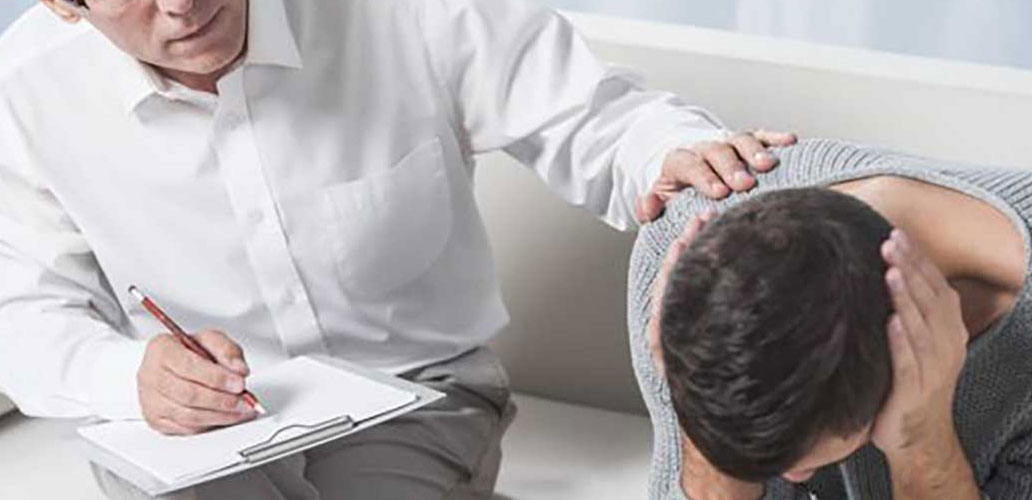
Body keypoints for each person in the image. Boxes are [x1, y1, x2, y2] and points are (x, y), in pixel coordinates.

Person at [0, 0, 798, 498]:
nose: (179, 4)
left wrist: (673, 155)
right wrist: (129, 377)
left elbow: (596, 118)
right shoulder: (25, 90)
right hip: (195, 433)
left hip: (417, 396)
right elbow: (21, 312)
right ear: (66, 6)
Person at [632, 139, 1032, 500]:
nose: (793, 482)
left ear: (901, 374)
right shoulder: (684, 267)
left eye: (800, 463)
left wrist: (922, 442)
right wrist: (700, 432)